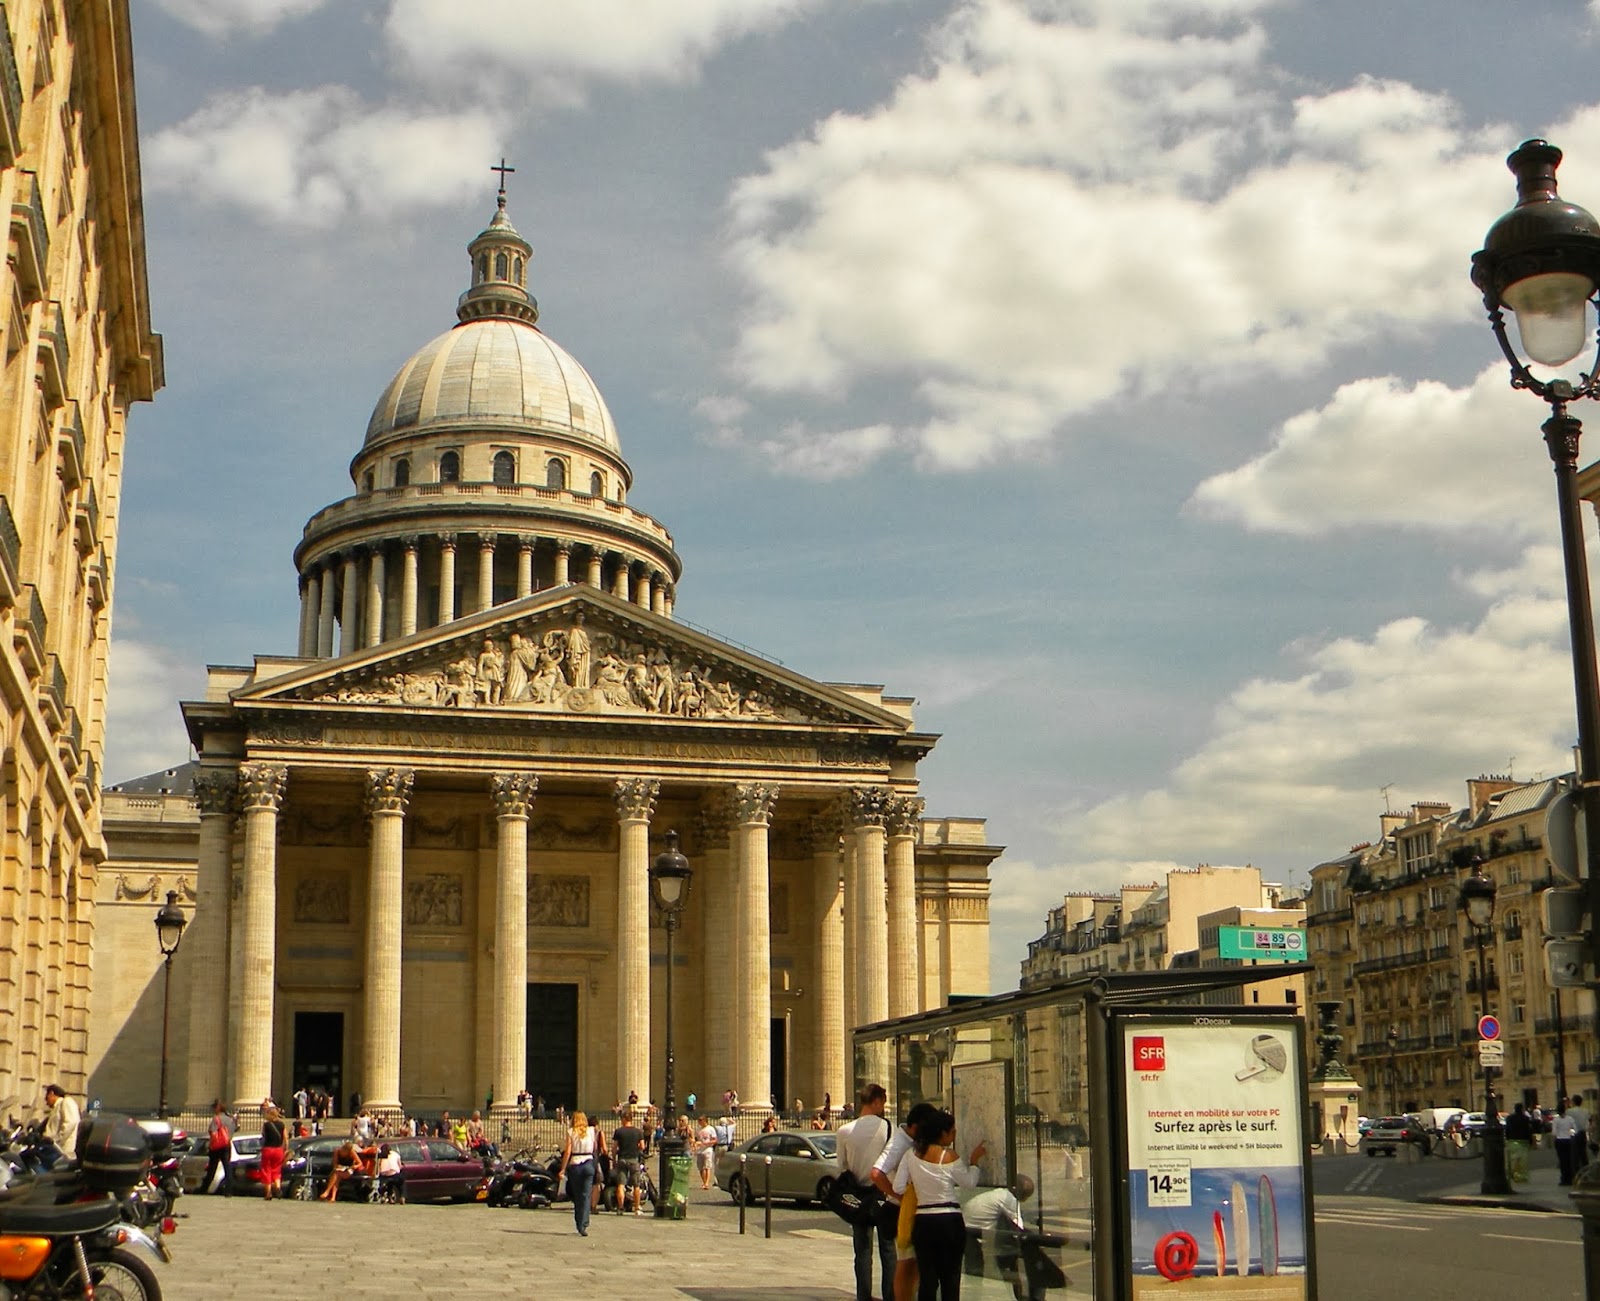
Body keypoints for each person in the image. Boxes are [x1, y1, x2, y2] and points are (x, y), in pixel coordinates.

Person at [892, 1109, 984, 1301]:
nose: (954, 1135)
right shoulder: (949, 1156)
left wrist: (918, 1185)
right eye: (952, 1132)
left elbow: (898, 1186)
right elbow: (969, 1182)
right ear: (942, 1133)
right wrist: (974, 1163)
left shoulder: (911, 1155)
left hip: (924, 1221)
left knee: (927, 1279)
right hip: (950, 1219)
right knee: (950, 1279)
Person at [874, 1102, 940, 1301]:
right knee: (906, 1264)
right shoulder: (900, 1143)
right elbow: (877, 1173)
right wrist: (902, 1199)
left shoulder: (908, 1140)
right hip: (899, 1210)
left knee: (912, 1264)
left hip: (909, 1209)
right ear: (917, 1126)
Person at [838, 1083, 895, 1301]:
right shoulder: (889, 1128)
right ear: (877, 1102)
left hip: (858, 1196)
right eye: (884, 1102)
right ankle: (890, 1296)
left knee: (862, 1251)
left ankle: (864, 1296)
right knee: (888, 1250)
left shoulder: (845, 1131)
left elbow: (842, 1166)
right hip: (883, 1195)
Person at [559, 1111, 604, 1236]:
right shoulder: (591, 1131)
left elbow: (568, 1151)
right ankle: (584, 1223)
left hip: (575, 1164)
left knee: (577, 1196)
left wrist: (563, 1168)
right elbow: (595, 1147)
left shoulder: (571, 1132)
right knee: (586, 1195)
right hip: (588, 1163)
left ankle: (579, 1222)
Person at [30, 1084, 80, 1171]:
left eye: (46, 1098)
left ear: (52, 1094)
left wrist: (56, 1141)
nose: (46, 1102)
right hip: (51, 1149)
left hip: (61, 1150)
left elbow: (71, 1122)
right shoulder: (56, 1107)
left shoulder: (66, 1102)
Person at [612, 1114, 646, 1214]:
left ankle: (621, 1207)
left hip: (622, 1158)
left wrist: (614, 1159)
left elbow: (614, 1147)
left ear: (623, 1119)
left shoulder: (619, 1131)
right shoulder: (638, 1131)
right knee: (636, 1184)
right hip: (634, 1159)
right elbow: (643, 1146)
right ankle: (637, 1207)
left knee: (621, 1184)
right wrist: (636, 1149)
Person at [202, 1099, 234, 1196]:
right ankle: (229, 1190)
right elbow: (233, 1131)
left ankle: (204, 1188)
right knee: (227, 1168)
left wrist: (210, 1145)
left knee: (212, 1168)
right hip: (227, 1145)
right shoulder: (230, 1119)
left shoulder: (216, 1119)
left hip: (216, 1146)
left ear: (218, 1108)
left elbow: (213, 1133)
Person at [259, 1105, 289, 1201]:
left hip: (268, 1149)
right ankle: (278, 1187)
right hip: (278, 1150)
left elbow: (263, 1137)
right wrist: (286, 1148)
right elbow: (286, 1138)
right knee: (276, 1170)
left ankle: (268, 1193)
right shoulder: (282, 1125)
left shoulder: (266, 1125)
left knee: (266, 1170)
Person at [320, 1137, 363, 1202]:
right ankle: (333, 1197)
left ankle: (327, 1191)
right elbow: (334, 1163)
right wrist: (338, 1166)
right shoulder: (337, 1151)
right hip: (339, 1169)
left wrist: (355, 1166)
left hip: (349, 1169)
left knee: (336, 1175)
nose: (344, 1152)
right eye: (344, 1150)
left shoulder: (351, 1152)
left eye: (346, 1151)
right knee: (337, 1176)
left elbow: (360, 1163)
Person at [1504, 1102, 1533, 1183]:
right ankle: (1521, 1177)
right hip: (1523, 1141)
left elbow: (1507, 1129)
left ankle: (1511, 1174)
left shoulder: (1509, 1118)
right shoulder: (1526, 1119)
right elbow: (1528, 1131)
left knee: (1512, 1160)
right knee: (1522, 1161)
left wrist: (1507, 1138)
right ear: (1522, 1109)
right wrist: (1530, 1141)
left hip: (1512, 1140)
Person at [1554, 1101, 1580, 1185]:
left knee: (1562, 1160)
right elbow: (1575, 1129)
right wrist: (1570, 1133)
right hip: (1568, 1140)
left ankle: (1564, 1178)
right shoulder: (1570, 1119)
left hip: (1559, 1140)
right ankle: (1571, 1177)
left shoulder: (1556, 1120)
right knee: (1569, 1159)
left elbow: (1554, 1132)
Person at [696, 1116, 719, 1190]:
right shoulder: (698, 1129)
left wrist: (706, 1143)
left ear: (705, 1121)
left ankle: (707, 1183)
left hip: (708, 1149)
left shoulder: (710, 1129)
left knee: (707, 1166)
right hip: (699, 1150)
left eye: (701, 1120)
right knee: (700, 1167)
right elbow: (696, 1139)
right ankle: (704, 1181)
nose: (699, 1122)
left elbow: (715, 1140)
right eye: (699, 1120)